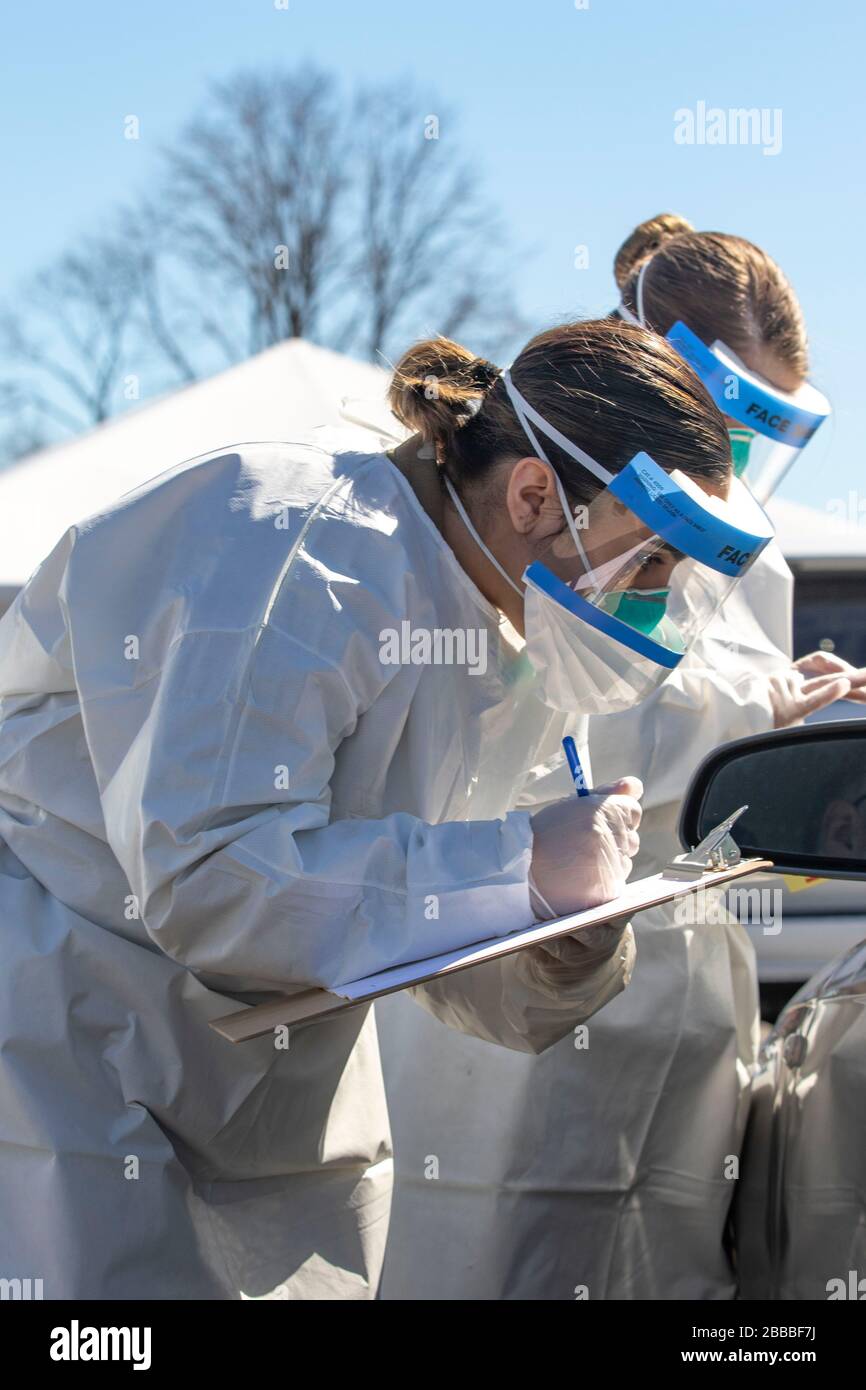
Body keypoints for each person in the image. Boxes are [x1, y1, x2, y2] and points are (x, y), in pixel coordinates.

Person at [0, 318, 763, 1301]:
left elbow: (424, 936)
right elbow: (206, 878)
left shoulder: (510, 630)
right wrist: (513, 869)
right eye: (648, 563)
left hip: (277, 1079)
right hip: (76, 1029)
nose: (654, 606)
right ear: (534, 494)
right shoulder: (291, 539)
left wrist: (556, 943)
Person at [378, 215, 866, 1301]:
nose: (733, 462)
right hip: (523, 997)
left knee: (668, 1250)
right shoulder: (550, 484)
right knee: (501, 1249)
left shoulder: (751, 548)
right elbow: (543, 698)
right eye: (730, 412)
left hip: (683, 989)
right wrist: (756, 703)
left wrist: (788, 714)